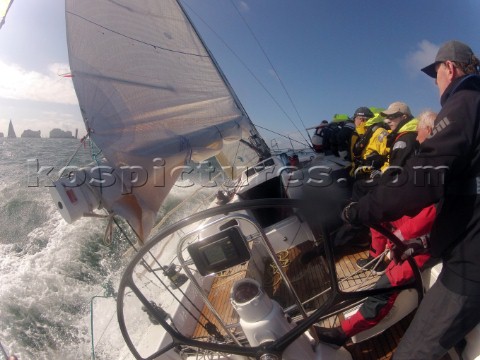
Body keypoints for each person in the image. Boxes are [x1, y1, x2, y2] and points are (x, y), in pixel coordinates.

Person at [341, 40, 480, 359]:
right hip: (463, 241)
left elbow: (424, 179)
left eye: (437, 74)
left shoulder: (467, 100)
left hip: (472, 262)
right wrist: (424, 243)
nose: (436, 83)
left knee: (412, 352)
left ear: (450, 68)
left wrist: (360, 211)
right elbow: (465, 190)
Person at [314, 109, 437, 347]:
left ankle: (343, 332)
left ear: (429, 131)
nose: (417, 138)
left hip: (428, 239)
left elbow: (431, 214)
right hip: (417, 227)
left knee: (386, 285)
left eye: (421, 133)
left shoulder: (440, 166)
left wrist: (401, 237)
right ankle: (377, 256)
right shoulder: (430, 160)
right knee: (378, 219)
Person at [355, 102, 419, 271]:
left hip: (403, 191)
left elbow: (396, 170)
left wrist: (381, 185)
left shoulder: (405, 139)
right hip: (406, 189)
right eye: (387, 117)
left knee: (375, 212)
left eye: (392, 117)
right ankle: (379, 258)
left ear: (404, 117)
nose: (388, 120)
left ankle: (376, 260)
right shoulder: (407, 135)